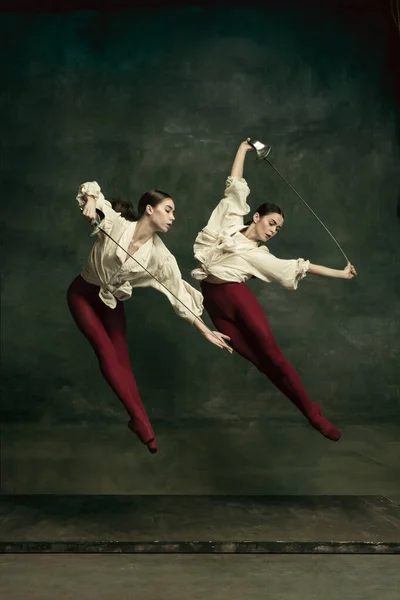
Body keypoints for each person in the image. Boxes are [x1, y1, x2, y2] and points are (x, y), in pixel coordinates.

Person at [191, 139, 357, 441]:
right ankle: (308, 408)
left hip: (236, 298)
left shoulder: (260, 256)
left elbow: (300, 266)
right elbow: (236, 184)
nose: (273, 230)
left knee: (275, 358)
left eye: (278, 229)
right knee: (260, 364)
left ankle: (313, 414)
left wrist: (341, 273)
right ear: (256, 216)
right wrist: (244, 148)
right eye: (271, 222)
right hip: (213, 303)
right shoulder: (230, 219)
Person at [67, 182, 231, 454]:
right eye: (168, 210)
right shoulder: (117, 224)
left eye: (173, 212)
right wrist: (89, 202)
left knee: (123, 364)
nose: (173, 217)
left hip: (111, 303)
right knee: (107, 354)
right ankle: (144, 426)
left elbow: (177, 292)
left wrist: (205, 330)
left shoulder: (161, 257)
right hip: (82, 294)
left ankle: (138, 421)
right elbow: (91, 189)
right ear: (149, 210)